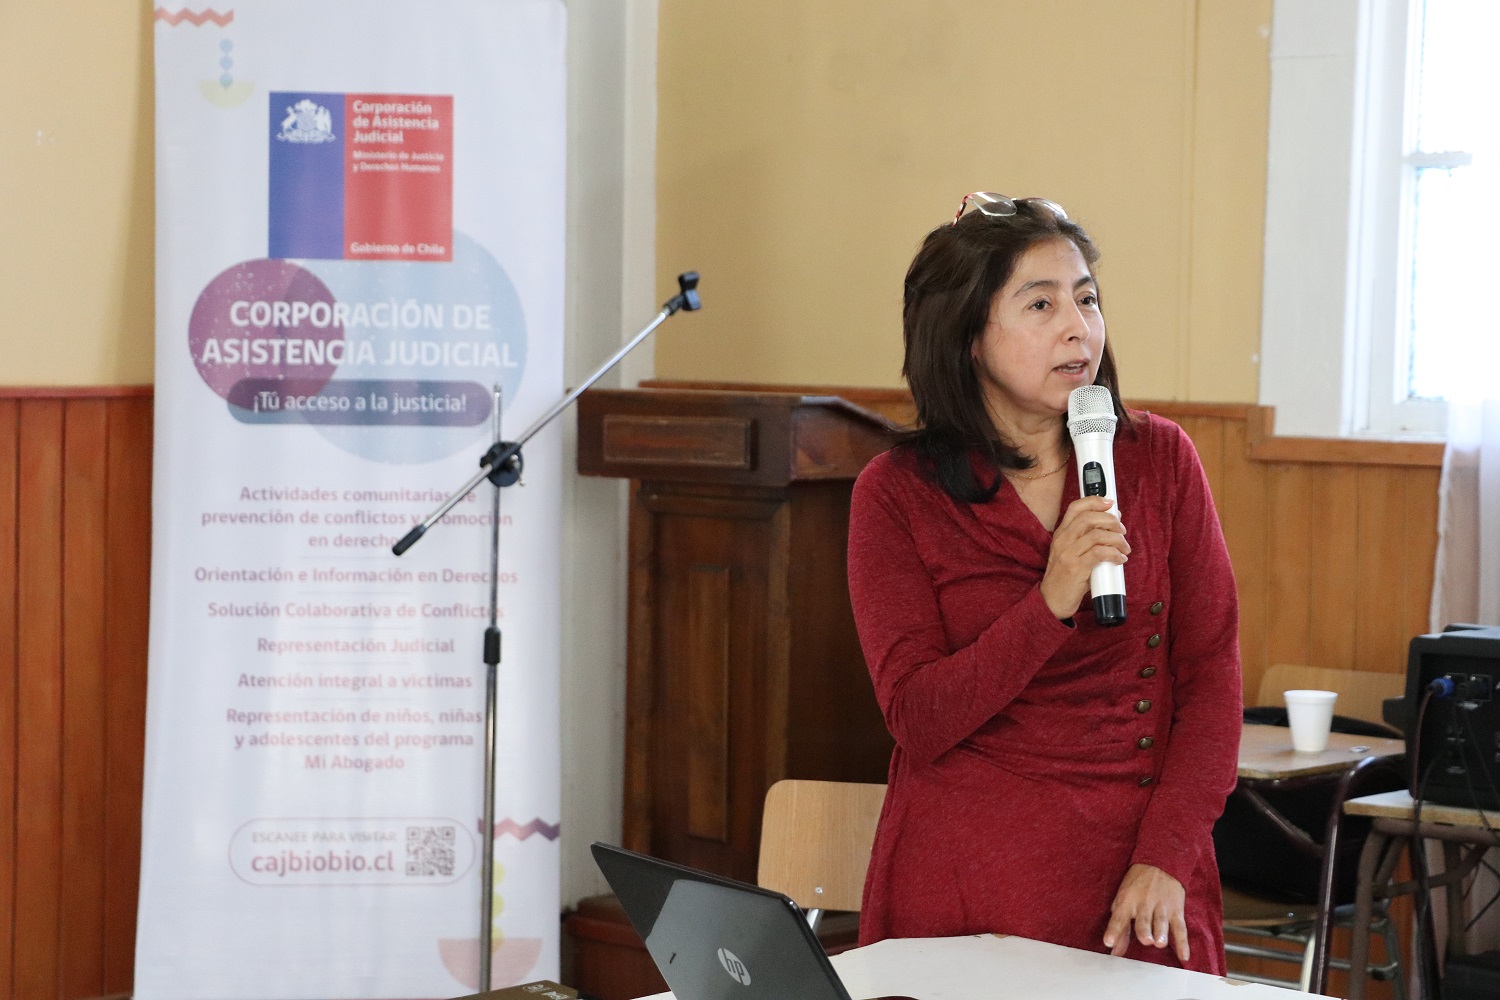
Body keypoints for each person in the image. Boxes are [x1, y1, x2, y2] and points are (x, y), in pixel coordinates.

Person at [847, 193, 1242, 974]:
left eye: (1087, 299)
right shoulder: (895, 493)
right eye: (1041, 304)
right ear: (966, 336)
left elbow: (1211, 678)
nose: (1078, 328)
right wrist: (1049, 602)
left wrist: (1168, 854)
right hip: (969, 880)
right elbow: (918, 719)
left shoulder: (1160, 459)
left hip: (1141, 880)